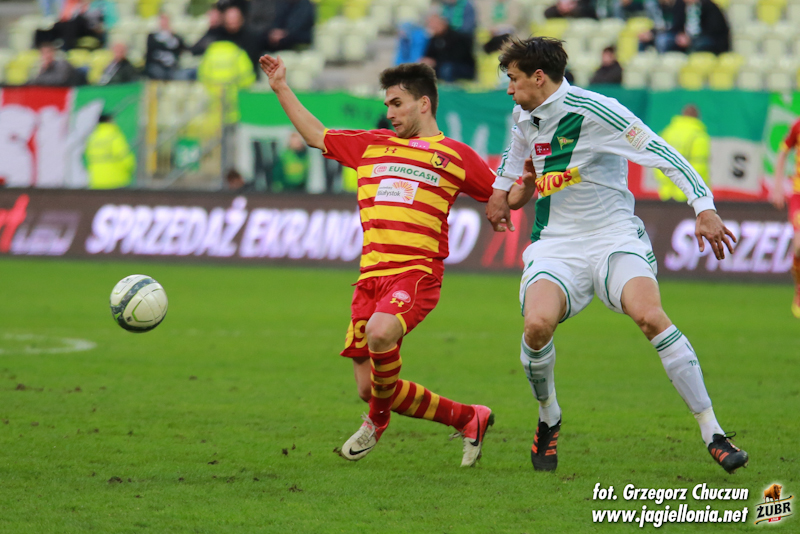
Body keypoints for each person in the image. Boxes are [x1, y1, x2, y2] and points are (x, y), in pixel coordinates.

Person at [486, 37, 748, 474]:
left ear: (539, 77)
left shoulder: (598, 110)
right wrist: (503, 193)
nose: (509, 89)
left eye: (513, 79)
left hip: (613, 237)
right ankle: (548, 416)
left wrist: (703, 207)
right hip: (556, 244)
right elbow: (515, 169)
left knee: (650, 317)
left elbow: (661, 152)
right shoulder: (524, 117)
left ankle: (713, 431)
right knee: (536, 327)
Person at [259, 55, 497, 465]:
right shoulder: (372, 145)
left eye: (397, 104)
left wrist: (519, 193)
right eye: (387, 104)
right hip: (370, 279)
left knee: (381, 333)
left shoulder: (455, 156)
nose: (389, 113)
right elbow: (316, 134)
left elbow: (499, 193)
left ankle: (377, 422)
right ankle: (467, 417)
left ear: (424, 104)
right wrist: (281, 86)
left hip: (415, 273)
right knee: (370, 387)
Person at [771, 117, 800, 319]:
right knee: (799, 247)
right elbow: (783, 152)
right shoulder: (797, 125)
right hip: (798, 194)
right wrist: (777, 185)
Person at [654, 104, 710, 202]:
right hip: (690, 195)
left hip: (666, 194)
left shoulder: (667, 132)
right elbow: (699, 166)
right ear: (698, 116)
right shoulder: (699, 135)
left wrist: (666, 187)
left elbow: (658, 161)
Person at [655, 0, 730, 55]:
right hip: (686, 38)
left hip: (706, 39)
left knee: (699, 44)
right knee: (663, 39)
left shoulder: (709, 6)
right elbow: (676, 26)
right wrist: (680, 36)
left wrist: (691, 39)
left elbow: (714, 30)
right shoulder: (681, 5)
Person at [421, 13, 476, 82]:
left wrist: (436, 62)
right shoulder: (433, 39)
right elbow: (429, 55)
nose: (432, 26)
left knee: (447, 69)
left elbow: (456, 58)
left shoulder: (457, 37)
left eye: (434, 23)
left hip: (460, 68)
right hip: (441, 66)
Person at [85, 114, 135, 189]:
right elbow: (125, 157)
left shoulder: (92, 138)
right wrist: (131, 169)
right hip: (116, 181)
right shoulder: (114, 136)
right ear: (109, 121)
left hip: (96, 182)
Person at [145, 13, 192, 80]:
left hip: (172, 66)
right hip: (157, 65)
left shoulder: (176, 37)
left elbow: (182, 48)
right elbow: (153, 48)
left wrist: (171, 36)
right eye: (162, 20)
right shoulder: (152, 36)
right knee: (158, 73)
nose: (164, 23)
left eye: (166, 20)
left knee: (179, 75)